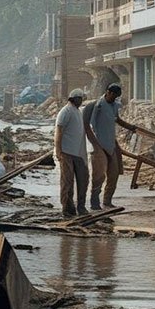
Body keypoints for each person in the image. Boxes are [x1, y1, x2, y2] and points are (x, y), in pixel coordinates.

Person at [84, 84, 140, 209]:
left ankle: (107, 201)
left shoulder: (114, 106)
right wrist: (94, 144)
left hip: (111, 143)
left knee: (113, 174)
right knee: (99, 176)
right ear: (108, 92)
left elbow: (117, 119)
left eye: (116, 97)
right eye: (113, 95)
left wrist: (130, 127)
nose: (114, 98)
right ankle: (94, 202)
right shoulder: (98, 106)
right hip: (99, 145)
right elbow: (89, 126)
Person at [54, 89, 89, 218]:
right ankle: (67, 208)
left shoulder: (78, 111)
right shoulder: (66, 111)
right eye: (80, 99)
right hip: (67, 152)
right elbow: (59, 131)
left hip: (78, 153)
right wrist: (58, 150)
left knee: (83, 180)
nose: (81, 101)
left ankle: (80, 206)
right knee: (67, 182)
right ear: (75, 99)